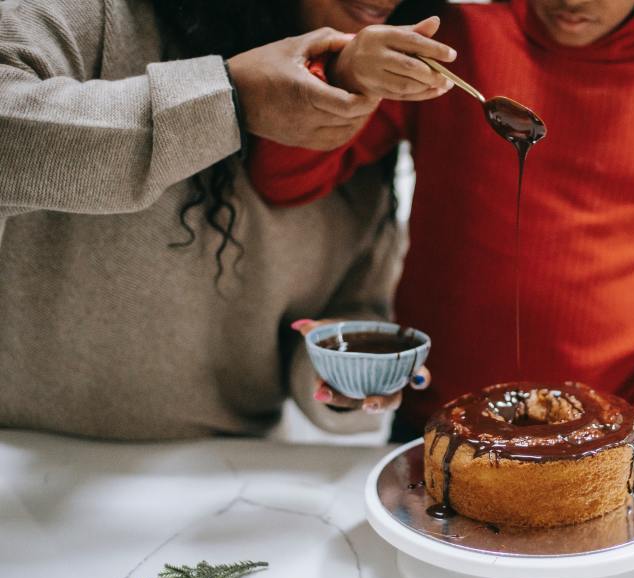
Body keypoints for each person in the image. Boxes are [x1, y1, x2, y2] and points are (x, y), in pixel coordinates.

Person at [249, 0, 634, 468]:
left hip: (610, 443)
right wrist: (345, 72)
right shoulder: (454, 47)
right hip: (434, 430)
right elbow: (285, 179)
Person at [0, 0, 448, 440]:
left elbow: (347, 305)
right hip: (21, 463)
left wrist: (348, 370)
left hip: (227, 480)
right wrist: (228, 99)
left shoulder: (367, 99)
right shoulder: (96, 14)